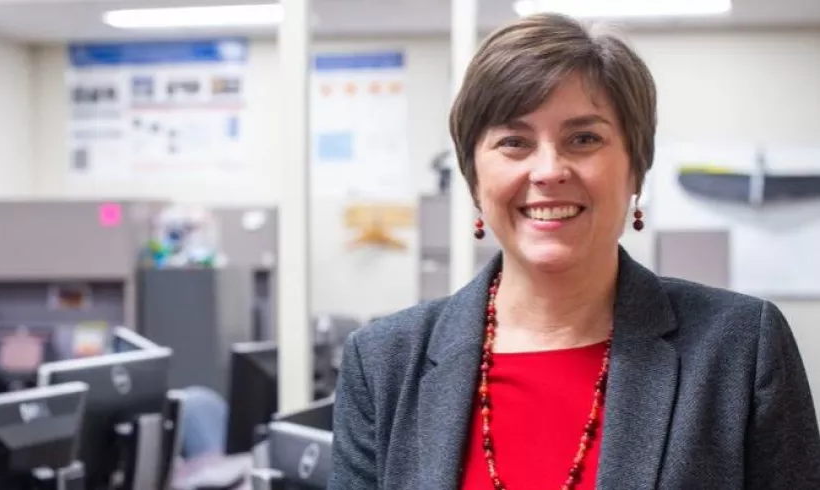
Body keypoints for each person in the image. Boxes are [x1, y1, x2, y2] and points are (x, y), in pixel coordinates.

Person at [329, 12, 820, 490]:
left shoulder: (738, 349)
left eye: (584, 138)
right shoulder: (384, 363)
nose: (548, 170)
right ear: (474, 178)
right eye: (514, 141)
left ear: (636, 169)